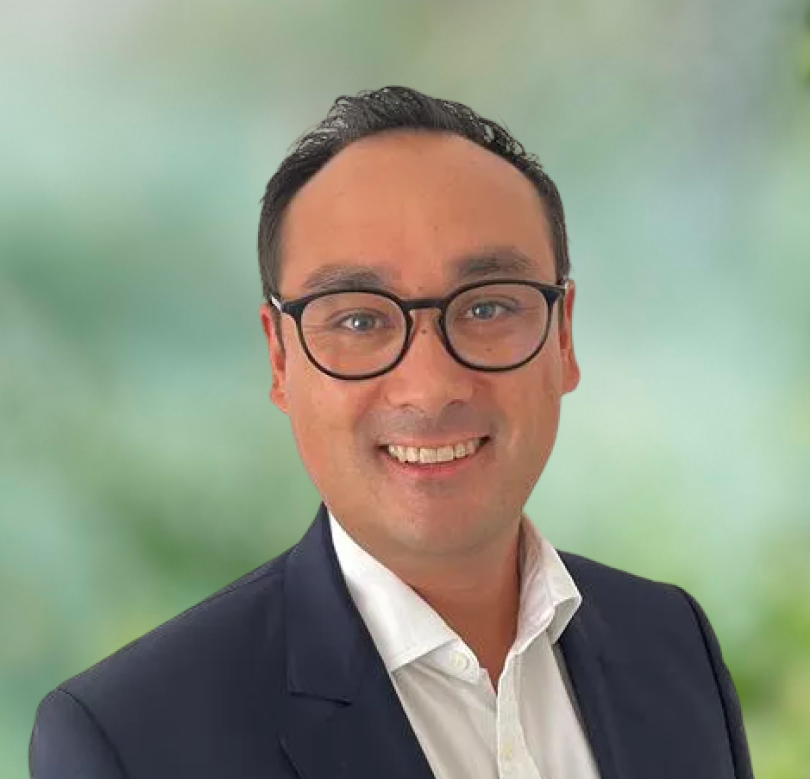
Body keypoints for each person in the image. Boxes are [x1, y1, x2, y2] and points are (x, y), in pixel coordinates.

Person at [29, 86, 754, 779]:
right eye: (359, 319)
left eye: (488, 308)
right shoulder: (133, 741)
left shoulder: (671, 643)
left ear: (562, 336)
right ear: (280, 359)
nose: (431, 387)